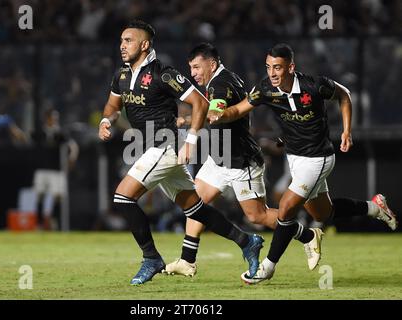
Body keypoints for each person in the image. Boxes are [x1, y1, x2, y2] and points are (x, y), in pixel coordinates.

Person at [208, 43, 398, 284]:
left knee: (286, 208)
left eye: (277, 67)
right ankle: (375, 208)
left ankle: (267, 268)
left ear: (291, 67)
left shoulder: (313, 85)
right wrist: (221, 114)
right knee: (323, 212)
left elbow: (344, 95)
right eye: (268, 67)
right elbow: (239, 109)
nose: (272, 73)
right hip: (295, 158)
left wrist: (347, 131)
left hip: (318, 158)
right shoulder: (266, 88)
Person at [98, 20, 264, 285]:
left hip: (163, 146)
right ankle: (247, 241)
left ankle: (151, 257)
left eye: (128, 40)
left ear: (145, 44)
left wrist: (192, 141)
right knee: (195, 209)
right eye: (121, 41)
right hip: (146, 148)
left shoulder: (164, 74)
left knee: (123, 198)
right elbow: (112, 105)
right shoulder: (122, 75)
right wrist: (106, 120)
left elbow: (199, 102)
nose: (122, 46)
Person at [165, 43, 321, 277]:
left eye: (197, 67)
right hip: (220, 158)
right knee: (195, 204)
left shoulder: (221, 84)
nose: (193, 73)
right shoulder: (223, 79)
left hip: (241, 161)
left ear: (212, 64)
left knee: (257, 216)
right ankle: (187, 260)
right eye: (191, 68)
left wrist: (188, 121)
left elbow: (216, 113)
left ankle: (308, 235)